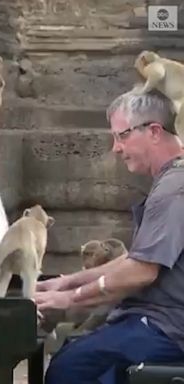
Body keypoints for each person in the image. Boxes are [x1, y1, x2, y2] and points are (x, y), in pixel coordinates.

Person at [35, 89, 184, 384]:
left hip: (170, 328)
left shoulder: (174, 187)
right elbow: (136, 258)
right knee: (72, 351)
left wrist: (69, 299)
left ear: (154, 131)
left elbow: (141, 272)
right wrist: (68, 281)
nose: (116, 147)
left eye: (122, 136)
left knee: (69, 370)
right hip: (159, 320)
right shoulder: (170, 179)